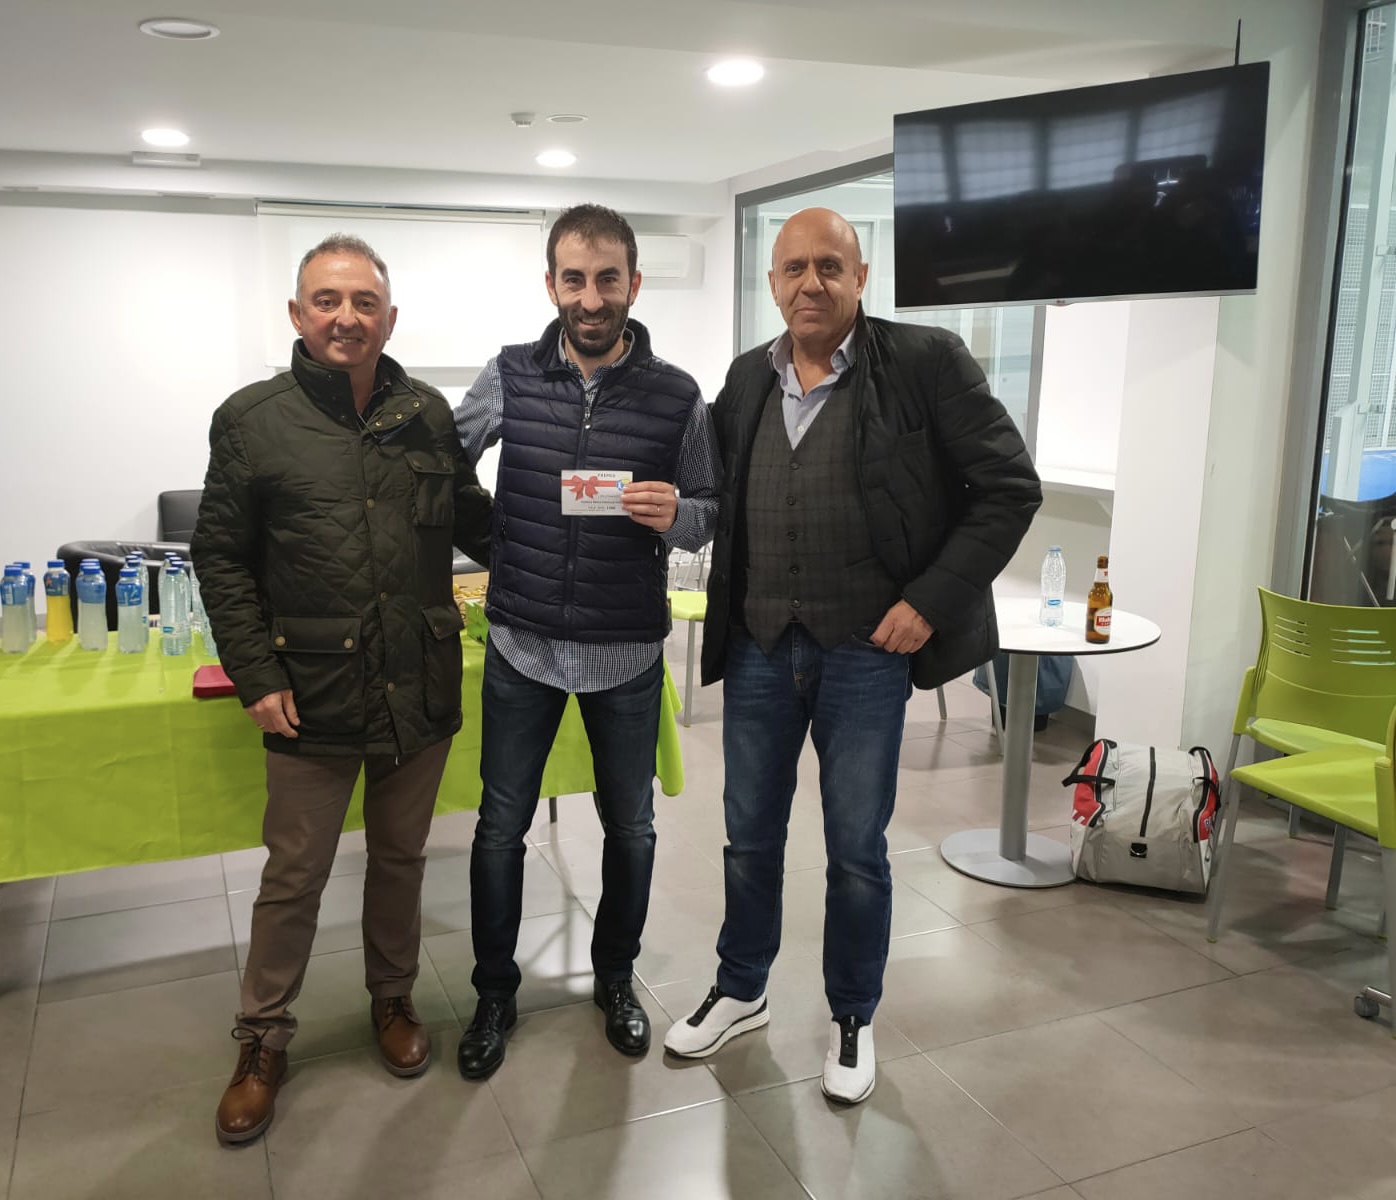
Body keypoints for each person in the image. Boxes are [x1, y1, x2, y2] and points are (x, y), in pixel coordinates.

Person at [661, 207, 1042, 1104]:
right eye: (794, 268)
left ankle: (852, 1015)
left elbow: (1008, 488)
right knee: (749, 838)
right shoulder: (745, 378)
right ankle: (743, 987)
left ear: (861, 277)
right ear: (772, 283)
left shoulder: (925, 362)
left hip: (866, 654)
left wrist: (930, 600)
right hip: (760, 647)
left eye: (830, 266)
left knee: (857, 850)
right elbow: (713, 494)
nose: (811, 283)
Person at [193, 234, 493, 1145]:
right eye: (327, 300)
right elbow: (221, 557)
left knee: (401, 860)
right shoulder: (252, 420)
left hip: (417, 686)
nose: (346, 317)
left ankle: (392, 999)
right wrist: (256, 674)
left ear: (389, 319)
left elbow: (476, 522)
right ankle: (262, 1038)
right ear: (297, 314)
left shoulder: (428, 415)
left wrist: (577, 530)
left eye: (364, 302)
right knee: (294, 876)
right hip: (310, 692)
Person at [453, 204, 719, 1080]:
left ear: (634, 284)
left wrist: (679, 515)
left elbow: (709, 508)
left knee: (631, 830)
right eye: (575, 278)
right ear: (552, 284)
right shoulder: (509, 374)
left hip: (626, 651)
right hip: (523, 642)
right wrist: (497, 540)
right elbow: (443, 463)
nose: (592, 297)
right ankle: (495, 994)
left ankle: (615, 979)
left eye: (609, 279)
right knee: (500, 827)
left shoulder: (677, 394)